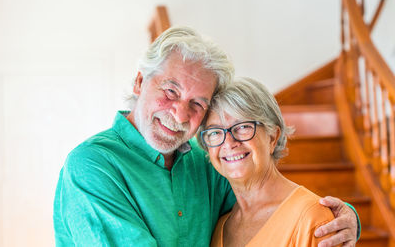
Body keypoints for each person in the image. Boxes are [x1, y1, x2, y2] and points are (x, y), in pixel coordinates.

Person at [53, 26, 359, 247]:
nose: (180, 114)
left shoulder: (207, 164)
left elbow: (268, 203)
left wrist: (342, 219)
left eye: (197, 103)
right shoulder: (92, 167)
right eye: (170, 91)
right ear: (139, 81)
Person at [198, 77, 350, 246]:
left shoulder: (312, 219)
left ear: (273, 137)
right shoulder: (220, 226)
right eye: (214, 132)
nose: (228, 142)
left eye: (242, 127)